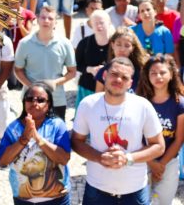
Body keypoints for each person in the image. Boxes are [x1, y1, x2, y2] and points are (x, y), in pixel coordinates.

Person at [72, 57, 165, 205]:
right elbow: (76, 141)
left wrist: (128, 158)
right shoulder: (87, 104)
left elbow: (159, 146)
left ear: (130, 83)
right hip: (97, 189)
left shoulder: (143, 106)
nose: (118, 80)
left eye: (124, 77)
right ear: (104, 76)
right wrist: (100, 157)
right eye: (114, 74)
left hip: (135, 190)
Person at [0, 82, 71, 205]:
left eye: (40, 100)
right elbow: (3, 161)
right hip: (23, 200)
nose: (34, 103)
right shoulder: (13, 128)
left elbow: (63, 159)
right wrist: (24, 139)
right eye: (30, 99)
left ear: (48, 104)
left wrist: (38, 138)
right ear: (24, 102)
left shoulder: (57, 126)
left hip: (57, 200)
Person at [15, 5, 76, 121]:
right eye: (43, 17)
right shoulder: (24, 43)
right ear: (37, 19)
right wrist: (31, 85)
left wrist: (55, 82)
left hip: (56, 99)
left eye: (50, 18)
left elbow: (72, 72)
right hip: (31, 99)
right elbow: (18, 70)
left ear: (56, 22)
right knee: (30, 135)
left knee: (56, 137)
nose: (46, 21)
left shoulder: (65, 44)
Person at [136, 55, 184, 204]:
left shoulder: (179, 103)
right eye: (153, 73)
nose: (158, 76)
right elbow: (135, 136)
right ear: (147, 76)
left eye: (162, 72)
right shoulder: (140, 102)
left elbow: (179, 139)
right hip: (143, 159)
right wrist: (152, 163)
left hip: (168, 162)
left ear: (171, 74)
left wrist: (161, 165)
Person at [75, 10, 112, 107]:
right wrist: (90, 69)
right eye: (95, 23)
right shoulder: (84, 43)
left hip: (111, 88)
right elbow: (76, 65)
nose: (99, 26)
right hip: (87, 87)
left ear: (109, 23)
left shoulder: (115, 43)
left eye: (101, 22)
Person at [95, 26, 148, 93]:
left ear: (132, 48)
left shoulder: (141, 71)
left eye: (127, 46)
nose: (122, 49)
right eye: (118, 44)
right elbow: (98, 96)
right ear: (112, 45)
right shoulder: (103, 71)